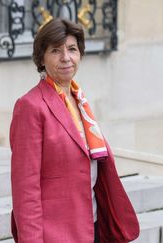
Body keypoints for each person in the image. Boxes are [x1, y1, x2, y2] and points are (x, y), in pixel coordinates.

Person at [9, 18, 140, 243]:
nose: (66, 58)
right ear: (42, 58)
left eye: (72, 49)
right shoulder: (30, 106)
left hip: (93, 226)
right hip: (56, 233)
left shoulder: (80, 102)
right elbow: (25, 189)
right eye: (56, 51)